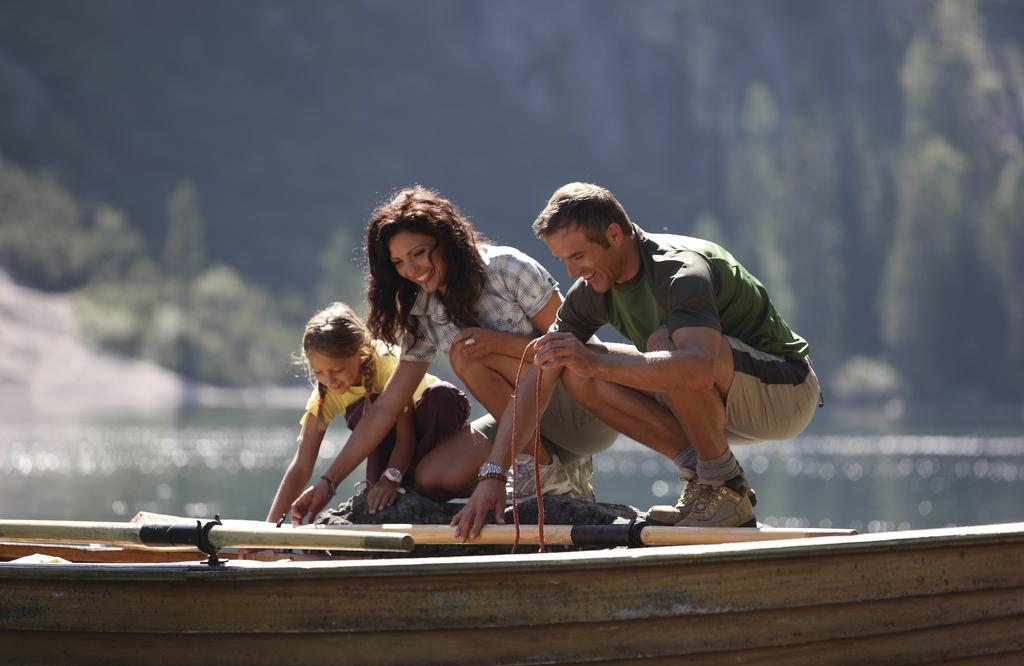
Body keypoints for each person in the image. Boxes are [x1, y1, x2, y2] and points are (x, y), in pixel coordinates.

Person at [454, 182, 820, 540]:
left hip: (784, 393)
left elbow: (698, 368)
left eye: (578, 256)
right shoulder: (591, 290)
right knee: (573, 363)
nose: (571, 272)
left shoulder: (679, 271)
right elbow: (543, 368)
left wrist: (594, 362)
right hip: (717, 395)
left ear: (614, 235)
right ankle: (706, 483)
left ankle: (723, 486)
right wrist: (494, 474)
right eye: (562, 260)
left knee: (659, 343)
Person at [289, 186, 618, 524]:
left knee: (467, 353)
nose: (411, 269)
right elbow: (388, 406)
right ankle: (550, 471)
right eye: (399, 262)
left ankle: (544, 474)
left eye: (418, 253)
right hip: (527, 424)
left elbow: (578, 352)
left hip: (584, 411)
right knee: (430, 477)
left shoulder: (507, 269)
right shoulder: (423, 310)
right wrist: (328, 484)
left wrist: (495, 343)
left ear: (446, 240)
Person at [265, 302, 471, 523]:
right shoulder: (325, 394)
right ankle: (383, 487)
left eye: (337, 370)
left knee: (431, 396)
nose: (330, 380)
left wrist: (391, 478)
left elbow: (406, 438)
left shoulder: (387, 365)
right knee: (363, 409)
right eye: (319, 372)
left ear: (361, 353)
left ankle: (413, 487)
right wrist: (268, 528)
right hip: (395, 451)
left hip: (433, 430)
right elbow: (302, 465)